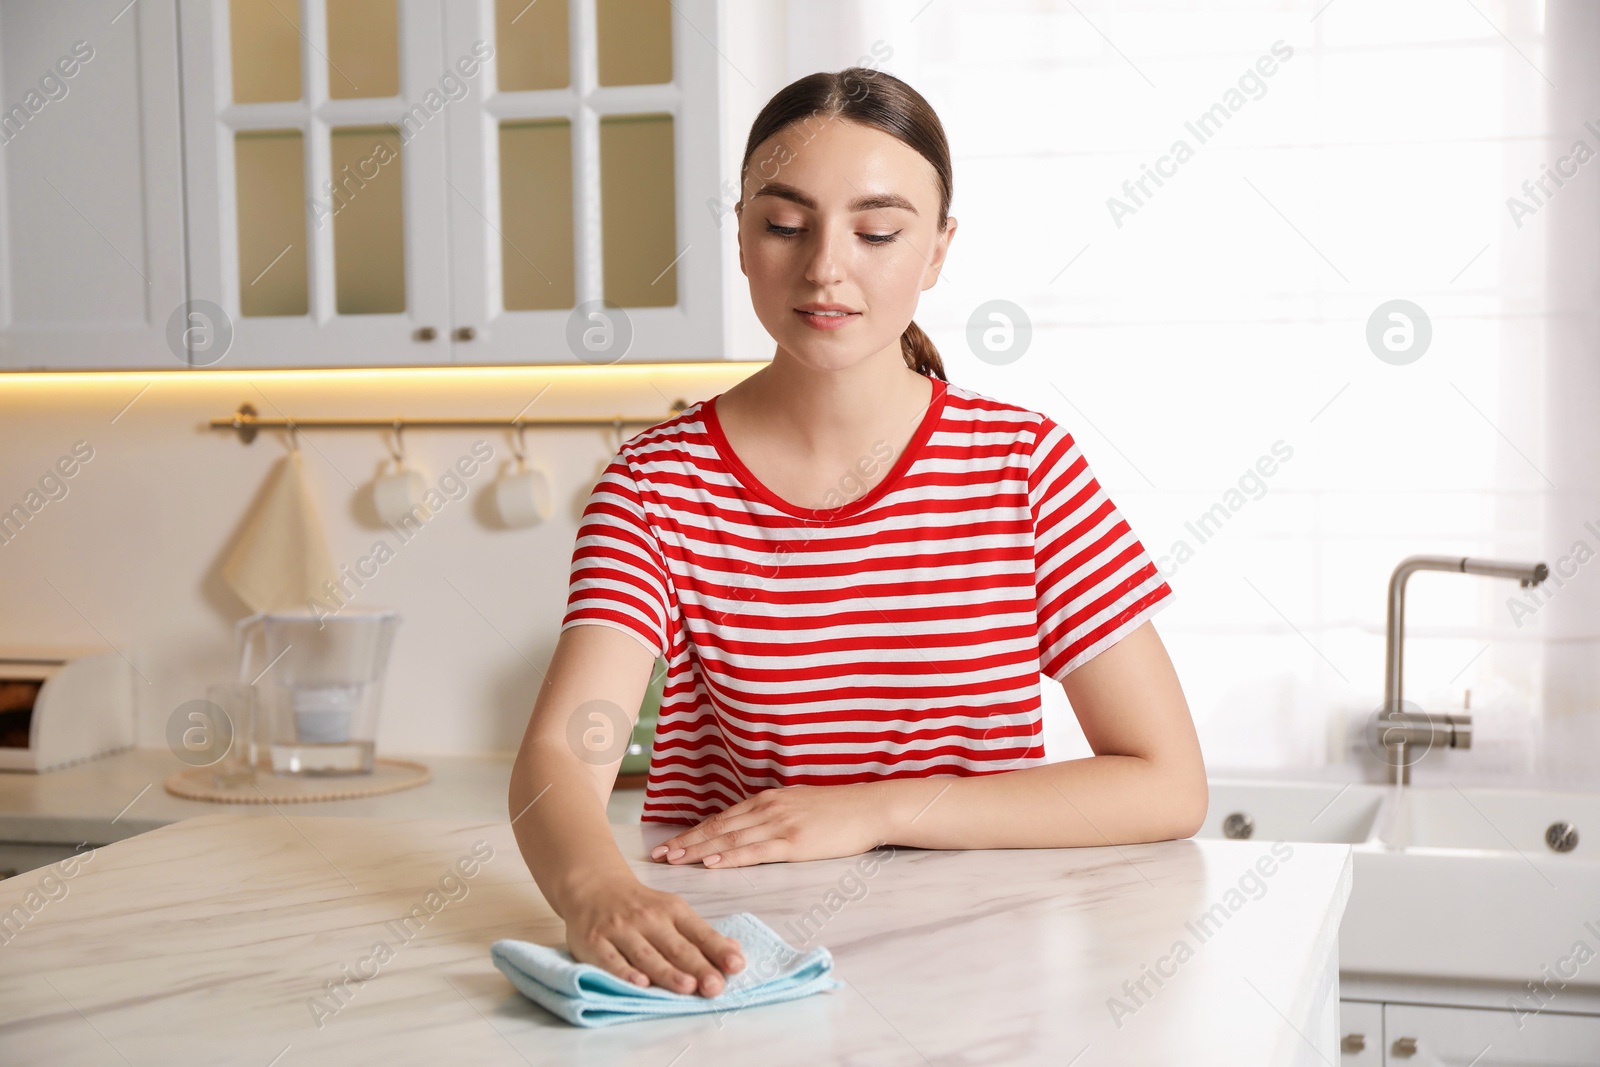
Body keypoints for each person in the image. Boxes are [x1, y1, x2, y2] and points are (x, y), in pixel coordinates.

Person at [508, 66, 1206, 1002]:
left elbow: (1166, 783)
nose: (826, 266)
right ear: (744, 240)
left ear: (938, 250)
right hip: (735, 969)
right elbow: (563, 751)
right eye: (786, 225)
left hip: (982, 969)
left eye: (877, 231)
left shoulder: (1023, 467)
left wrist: (873, 810)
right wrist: (594, 891)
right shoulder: (654, 484)